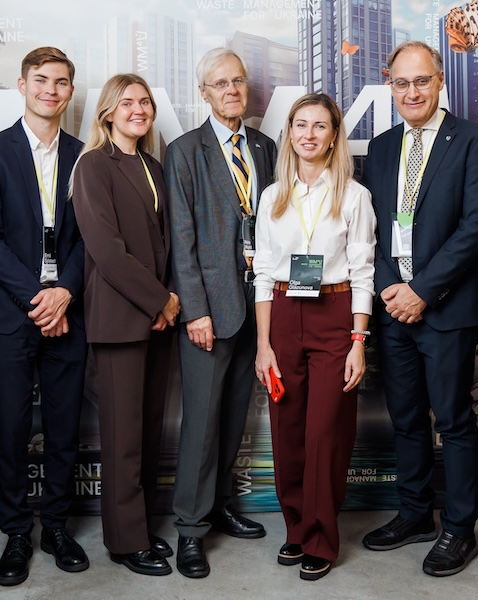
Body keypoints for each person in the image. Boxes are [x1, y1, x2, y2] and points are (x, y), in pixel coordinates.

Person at [361, 40, 478, 577]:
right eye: (401, 83)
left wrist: (424, 291)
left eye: (421, 81)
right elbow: (368, 228)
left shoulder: (472, 141)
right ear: (389, 86)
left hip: (446, 307)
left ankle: (459, 529)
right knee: (407, 418)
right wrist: (393, 289)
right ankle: (415, 513)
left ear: (440, 81)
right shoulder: (381, 146)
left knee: (455, 420)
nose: (411, 91)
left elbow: (474, 227)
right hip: (395, 305)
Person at [0, 47, 88, 586]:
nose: (51, 90)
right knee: (12, 431)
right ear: (22, 85)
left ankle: (57, 526)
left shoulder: (86, 156)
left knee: (64, 430)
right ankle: (16, 532)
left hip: (68, 312)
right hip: (10, 316)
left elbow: (92, 238)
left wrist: (64, 291)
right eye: (41, 81)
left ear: (69, 91)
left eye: (61, 82)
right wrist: (40, 299)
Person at [165, 47, 278, 578]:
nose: (231, 90)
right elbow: (181, 239)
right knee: (202, 424)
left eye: (237, 82)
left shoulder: (265, 145)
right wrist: (194, 310)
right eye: (220, 84)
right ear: (203, 93)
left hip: (258, 304)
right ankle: (190, 527)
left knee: (234, 417)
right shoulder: (184, 151)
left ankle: (218, 506)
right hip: (209, 310)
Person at [253, 93, 376, 581]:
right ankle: (296, 528)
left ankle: (322, 538)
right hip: (282, 315)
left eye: (319, 126)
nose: (308, 134)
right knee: (287, 431)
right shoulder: (272, 196)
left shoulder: (354, 196)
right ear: (290, 133)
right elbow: (263, 272)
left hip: (334, 313)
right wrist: (264, 345)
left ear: (333, 136)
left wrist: (358, 341)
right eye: (300, 125)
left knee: (326, 431)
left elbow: (364, 271)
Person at [71, 73, 179, 577]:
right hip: (120, 320)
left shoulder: (153, 166)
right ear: (108, 112)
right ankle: (124, 539)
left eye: (145, 101)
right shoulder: (93, 166)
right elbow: (107, 251)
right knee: (123, 437)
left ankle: (140, 527)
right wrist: (160, 300)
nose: (138, 108)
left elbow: (163, 245)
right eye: (128, 102)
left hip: (157, 321)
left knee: (147, 432)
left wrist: (167, 304)